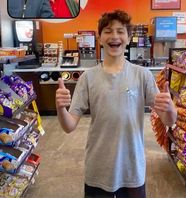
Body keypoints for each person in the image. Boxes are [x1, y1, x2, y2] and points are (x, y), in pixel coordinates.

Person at [56, 10, 177, 198]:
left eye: (120, 31)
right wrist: (60, 109)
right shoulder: (88, 78)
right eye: (108, 31)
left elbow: (169, 121)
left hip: (132, 168)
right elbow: (69, 126)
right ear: (99, 38)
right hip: (98, 168)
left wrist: (170, 108)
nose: (114, 36)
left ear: (128, 38)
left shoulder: (142, 75)